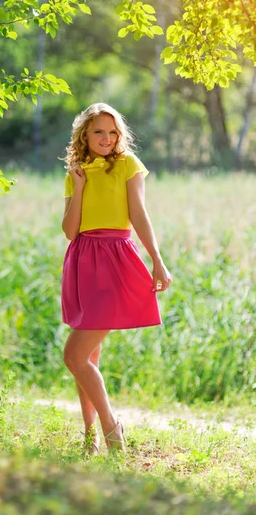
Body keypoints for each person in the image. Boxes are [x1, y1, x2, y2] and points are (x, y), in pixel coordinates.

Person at [61, 103, 172, 456]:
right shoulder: (76, 171)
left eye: (112, 132)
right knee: (88, 356)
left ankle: (112, 429)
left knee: (75, 355)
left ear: (119, 135)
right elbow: (69, 230)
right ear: (85, 135)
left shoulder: (128, 165)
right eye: (98, 132)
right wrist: (79, 186)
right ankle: (89, 437)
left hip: (116, 259)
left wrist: (157, 259)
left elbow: (139, 214)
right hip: (82, 259)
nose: (106, 138)